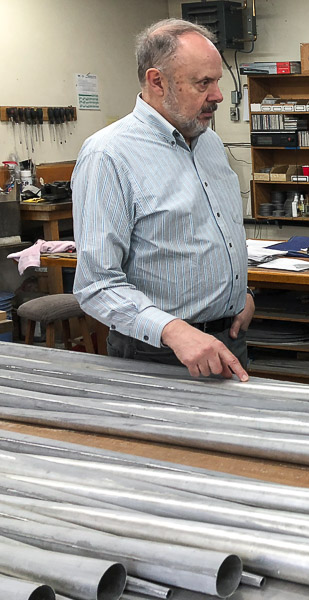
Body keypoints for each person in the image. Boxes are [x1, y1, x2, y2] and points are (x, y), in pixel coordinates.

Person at [72, 19, 253, 381]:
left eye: (218, 81)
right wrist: (173, 330)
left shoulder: (211, 145)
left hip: (229, 338)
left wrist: (240, 293)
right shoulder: (109, 155)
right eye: (204, 83)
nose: (218, 95)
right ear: (157, 81)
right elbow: (96, 284)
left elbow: (219, 232)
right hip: (158, 352)